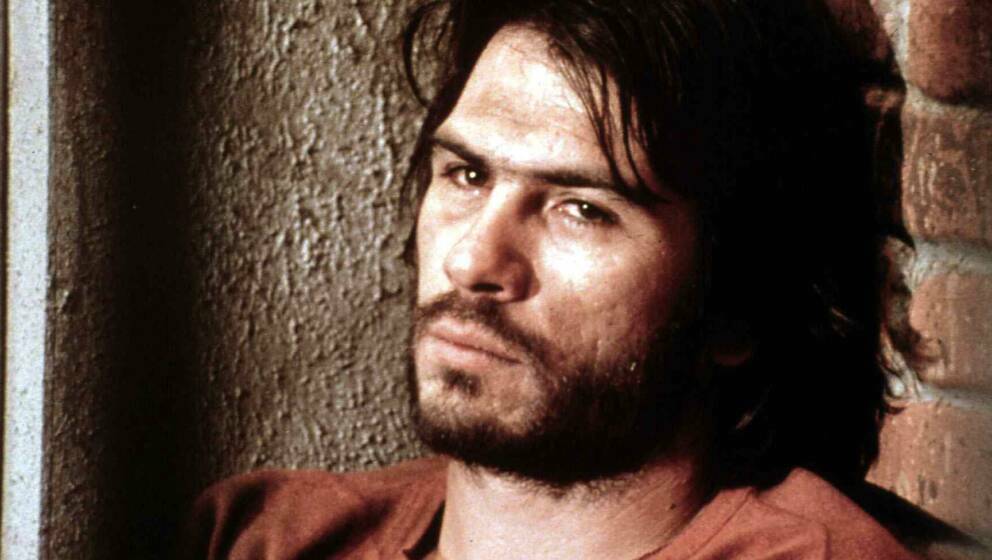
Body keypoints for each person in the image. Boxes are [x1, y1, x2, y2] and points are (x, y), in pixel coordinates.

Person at [182, 0, 920, 558]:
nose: (472, 262)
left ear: (740, 304)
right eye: (467, 175)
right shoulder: (260, 535)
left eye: (583, 210)